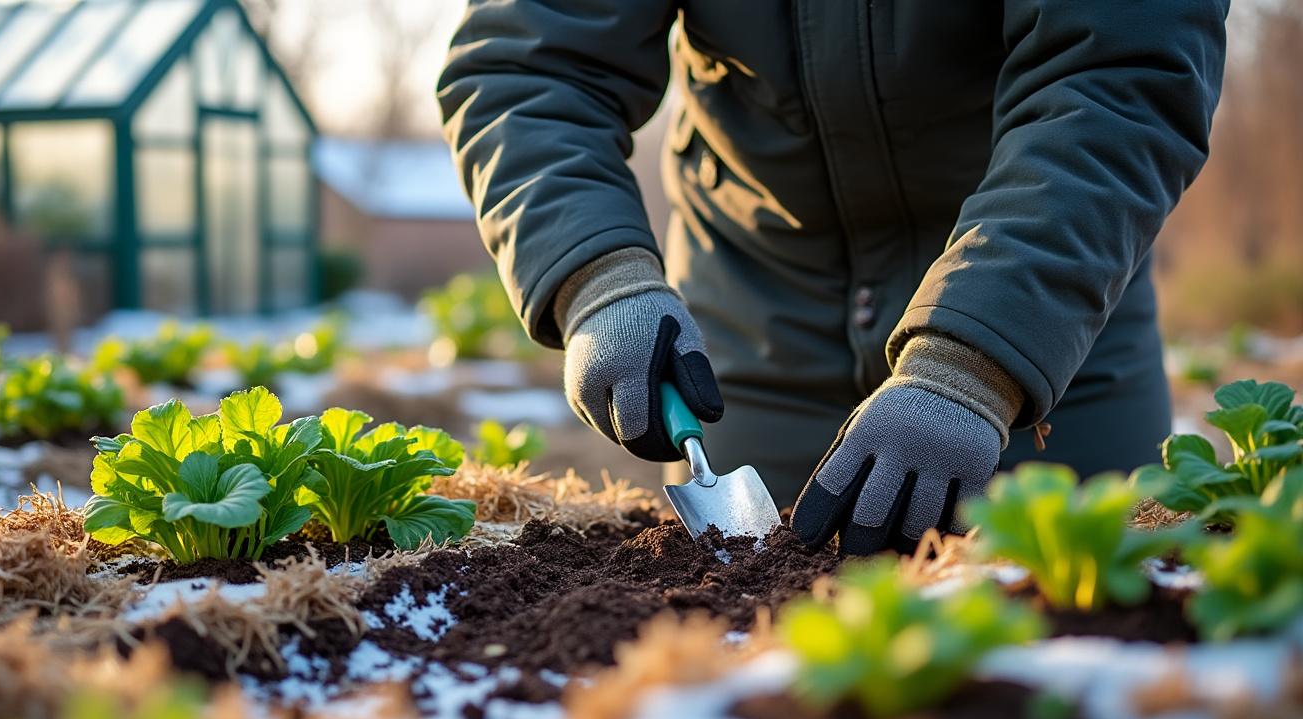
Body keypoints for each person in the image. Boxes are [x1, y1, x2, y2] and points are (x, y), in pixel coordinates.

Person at [438, 1, 1229, 555]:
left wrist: (976, 362)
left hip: (1045, 349)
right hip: (756, 345)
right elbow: (527, 70)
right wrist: (596, 274)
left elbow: (1118, 79)